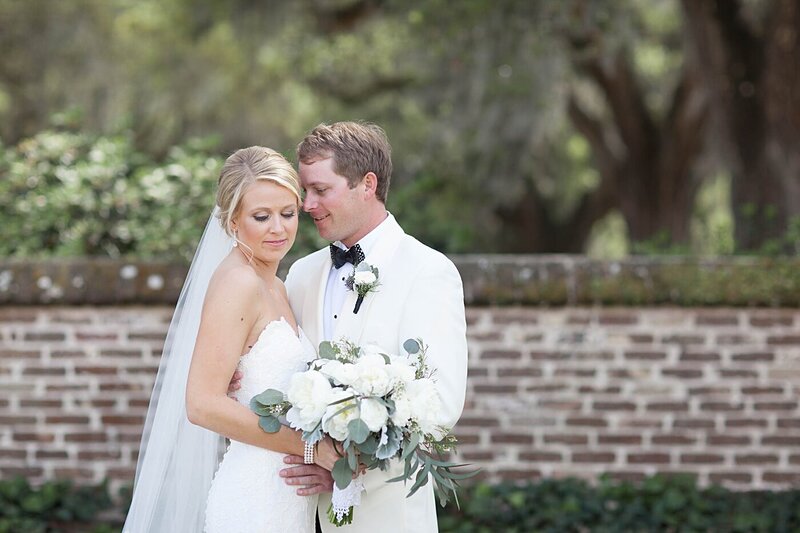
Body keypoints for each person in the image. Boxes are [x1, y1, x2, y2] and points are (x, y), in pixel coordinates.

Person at [123, 147, 339, 533]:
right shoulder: (238, 282)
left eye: (287, 214)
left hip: (287, 499)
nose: (278, 228)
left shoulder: (274, 283)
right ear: (232, 221)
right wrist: (310, 449)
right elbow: (202, 404)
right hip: (255, 500)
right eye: (261, 216)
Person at [279, 122, 468, 532]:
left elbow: (439, 406)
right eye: (304, 190)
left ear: (367, 184)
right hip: (292, 512)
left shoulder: (429, 271)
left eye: (321, 190)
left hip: (385, 516)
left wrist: (347, 470)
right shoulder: (300, 274)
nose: (307, 204)